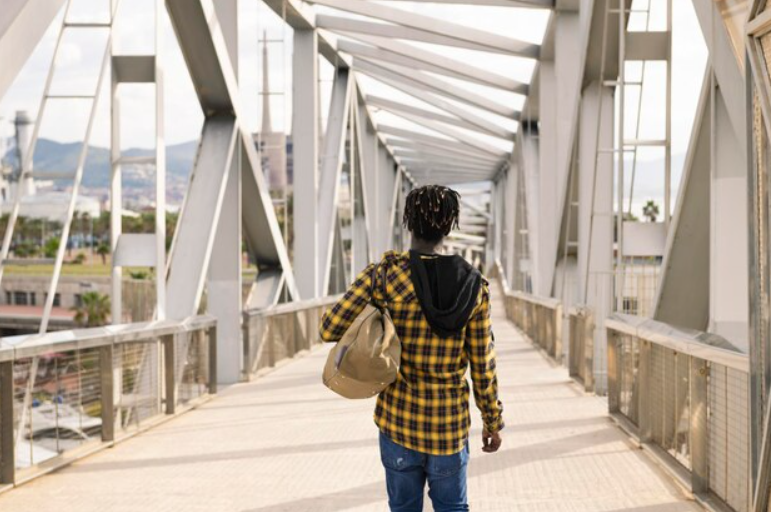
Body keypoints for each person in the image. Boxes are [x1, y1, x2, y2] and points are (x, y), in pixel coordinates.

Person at [319, 185, 504, 512]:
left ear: (408, 221)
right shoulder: (474, 286)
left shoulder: (383, 276)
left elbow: (328, 328)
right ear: (450, 225)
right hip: (448, 426)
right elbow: (483, 365)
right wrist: (492, 420)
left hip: (398, 423)